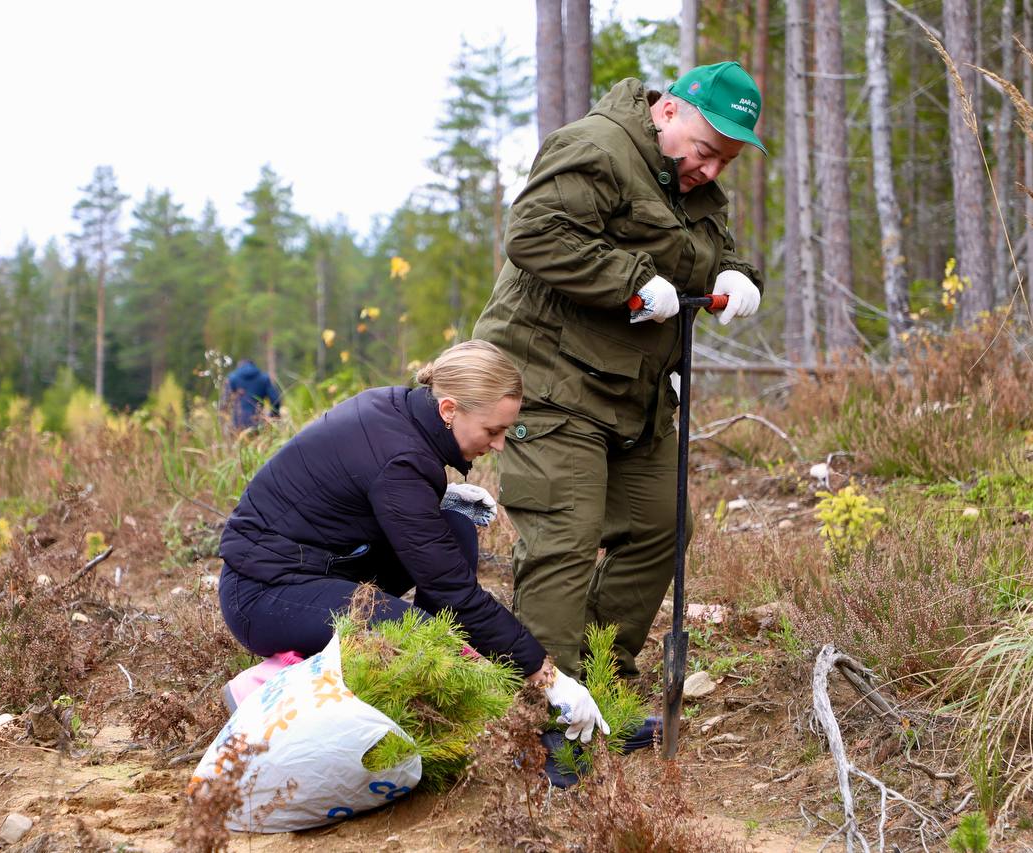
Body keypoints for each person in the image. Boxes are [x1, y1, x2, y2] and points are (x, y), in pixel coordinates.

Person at [472, 62, 766, 680]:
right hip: (551, 381)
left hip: (637, 394)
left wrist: (735, 277)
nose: (710, 170)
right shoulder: (595, 147)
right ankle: (546, 709)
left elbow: (703, 252)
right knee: (565, 538)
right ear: (668, 113)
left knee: (661, 527)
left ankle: (600, 682)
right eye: (706, 151)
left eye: (726, 162)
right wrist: (630, 283)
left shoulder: (693, 185)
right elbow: (532, 234)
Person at [216, 340, 609, 748]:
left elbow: (361, 489)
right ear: (449, 410)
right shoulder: (400, 460)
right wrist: (549, 677)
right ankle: (271, 683)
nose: (498, 444)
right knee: (417, 632)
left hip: (317, 565)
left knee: (454, 529)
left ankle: (406, 683)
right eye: (493, 430)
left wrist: (434, 499)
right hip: (261, 592)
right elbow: (454, 591)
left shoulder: (398, 409)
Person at [226, 358, 282, 428]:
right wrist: (273, 417)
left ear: (239, 366)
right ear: (253, 366)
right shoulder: (264, 378)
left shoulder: (232, 378)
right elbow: (276, 400)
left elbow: (225, 404)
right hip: (258, 423)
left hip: (237, 425)